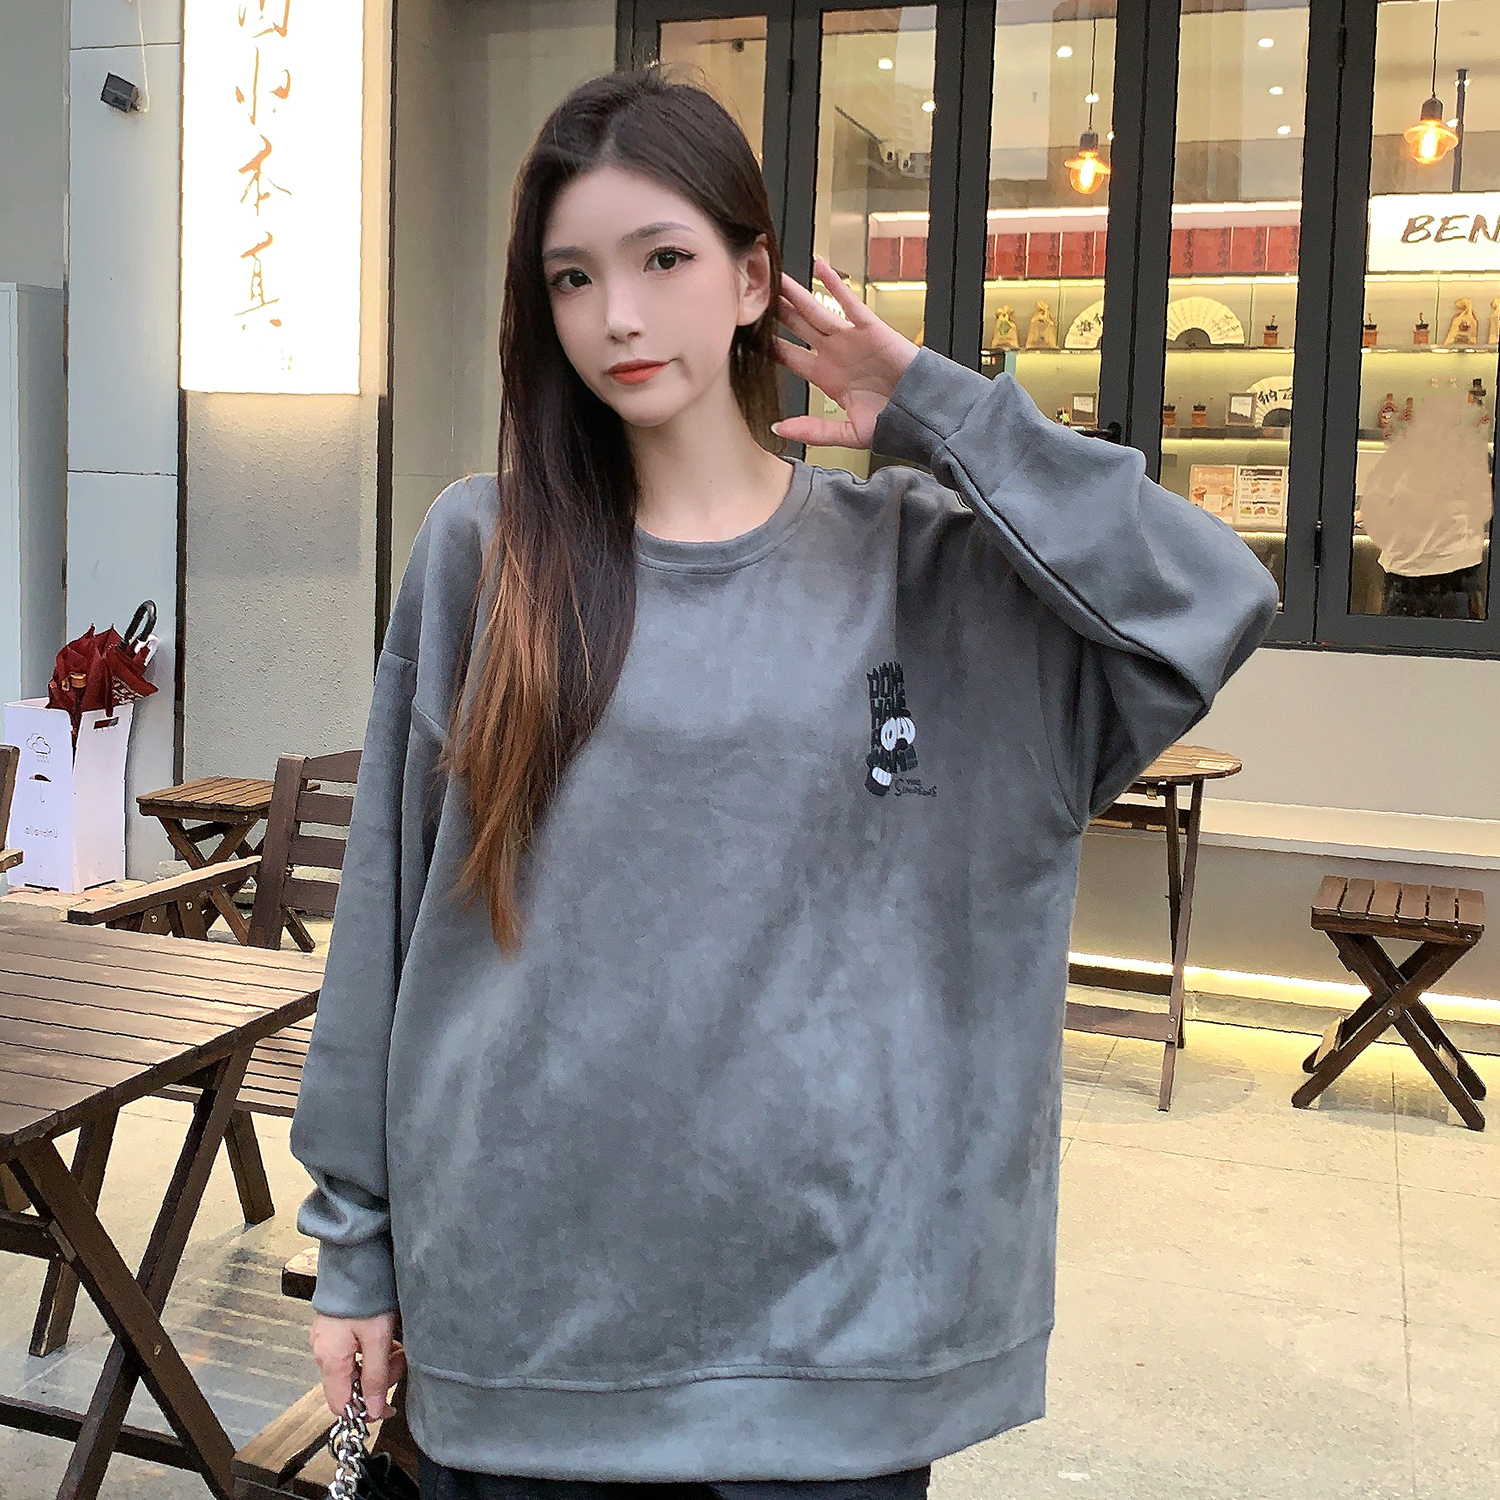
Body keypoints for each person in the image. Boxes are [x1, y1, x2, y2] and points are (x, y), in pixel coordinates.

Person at [288, 67, 1279, 1500]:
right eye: (573, 277)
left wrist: (934, 409)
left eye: (664, 259)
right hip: (525, 1324)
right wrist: (354, 1251)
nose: (618, 317)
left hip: (834, 1350)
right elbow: (387, 915)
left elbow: (1210, 594)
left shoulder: (921, 569)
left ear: (756, 279)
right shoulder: (486, 553)